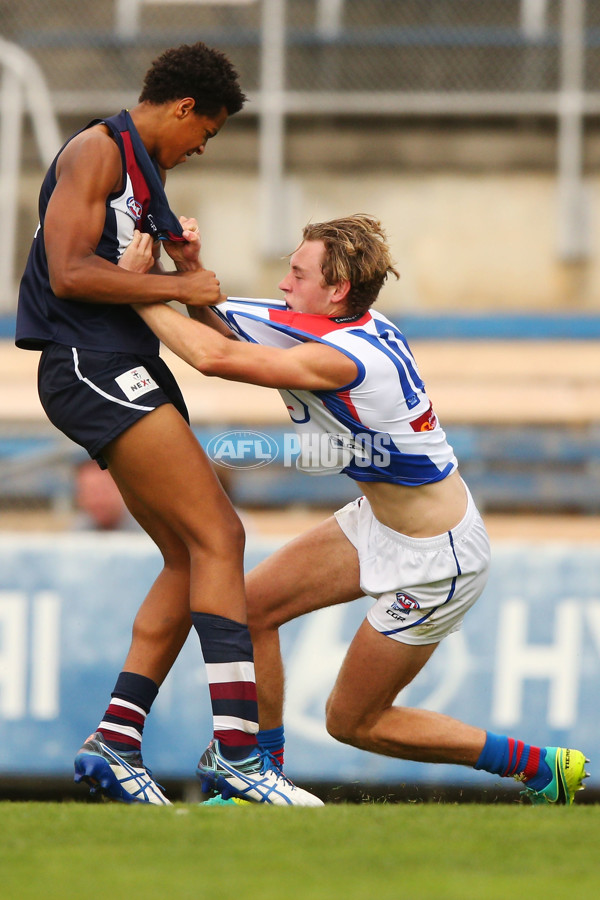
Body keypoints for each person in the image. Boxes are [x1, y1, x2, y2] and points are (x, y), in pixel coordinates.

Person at [134, 213, 589, 805]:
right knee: (246, 612)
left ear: (337, 289)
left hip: (437, 561)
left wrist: (134, 290)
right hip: (378, 520)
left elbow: (216, 358)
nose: (284, 284)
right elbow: (221, 326)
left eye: (297, 273)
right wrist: (187, 271)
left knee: (353, 721)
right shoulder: (330, 323)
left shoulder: (348, 357)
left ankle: (539, 765)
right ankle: (260, 778)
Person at [15, 42, 321, 807]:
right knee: (223, 537)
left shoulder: (142, 181)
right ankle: (241, 756)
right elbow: (68, 272)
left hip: (124, 361)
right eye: (205, 134)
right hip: (87, 362)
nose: (200, 149)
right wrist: (177, 279)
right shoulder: (97, 151)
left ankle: (116, 742)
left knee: (191, 559)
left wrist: (184, 276)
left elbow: (176, 303)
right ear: (184, 108)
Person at [72, 458, 141, 532]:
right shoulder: (79, 532)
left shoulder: (144, 528)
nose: (98, 501)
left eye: (104, 491)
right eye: (89, 493)